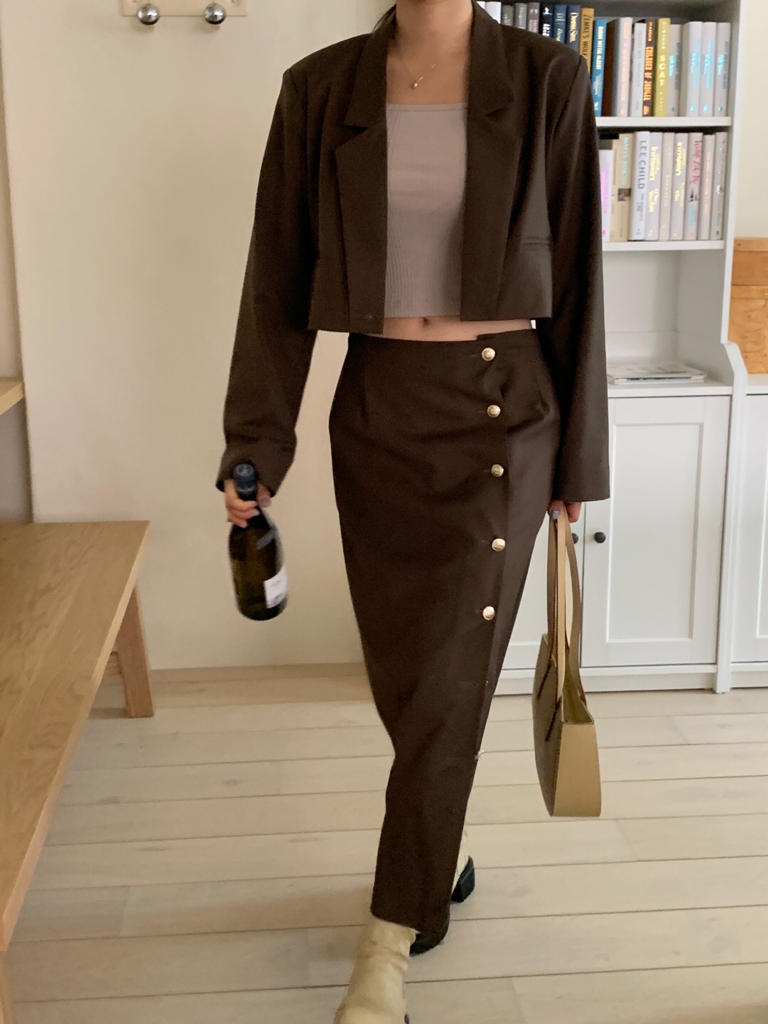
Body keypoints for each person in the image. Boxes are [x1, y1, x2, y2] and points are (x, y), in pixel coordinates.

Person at [216, 1, 610, 1020]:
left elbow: (580, 275)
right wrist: (257, 444)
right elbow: (275, 276)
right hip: (378, 410)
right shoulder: (319, 89)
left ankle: (386, 944)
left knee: (444, 681)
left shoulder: (549, 78)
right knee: (408, 676)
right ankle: (442, 844)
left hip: (502, 414)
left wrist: (579, 459)